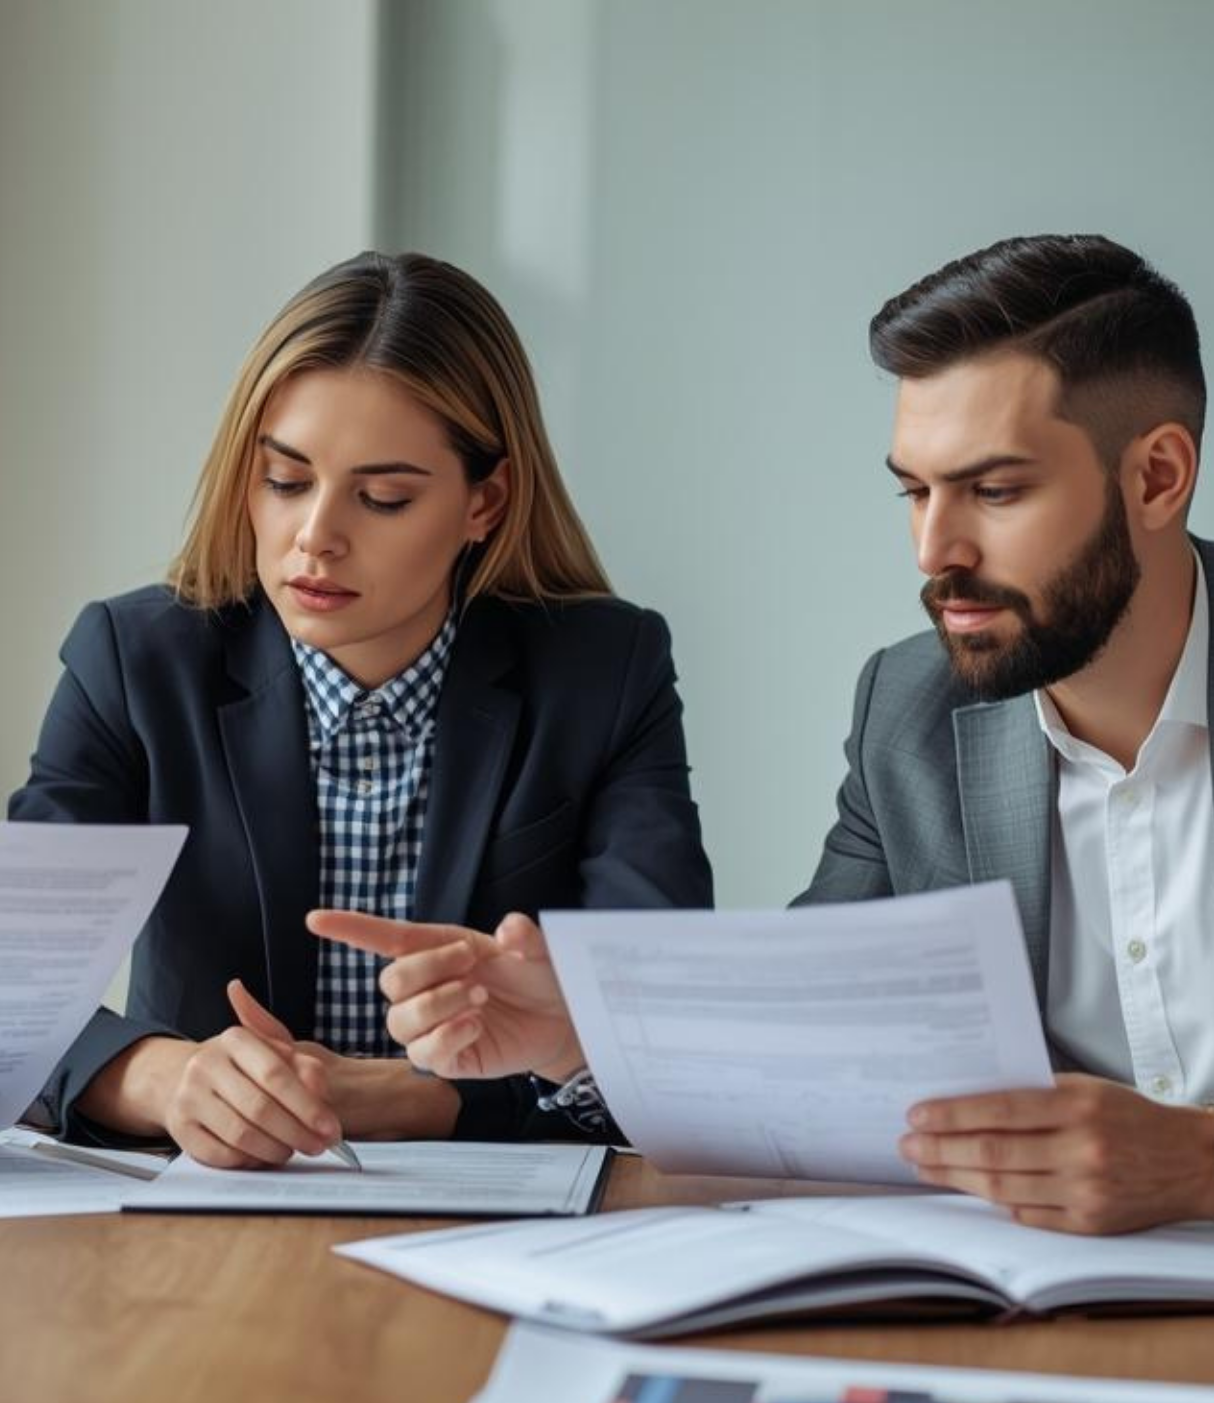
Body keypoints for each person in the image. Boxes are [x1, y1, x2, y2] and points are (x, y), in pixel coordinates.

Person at [328, 236, 1214, 1235]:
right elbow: (801, 1049)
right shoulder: (909, 709)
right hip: (1043, 1305)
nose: (935, 551)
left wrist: (1201, 1163)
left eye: (996, 492)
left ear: (1156, 478)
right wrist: (580, 1036)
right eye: (916, 492)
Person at [10, 249, 711, 1165]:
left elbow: (666, 1039)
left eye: (382, 498)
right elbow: (1, 994)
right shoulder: (136, 662)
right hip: (207, 1213)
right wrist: (167, 1079)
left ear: (483, 502)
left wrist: (424, 1100)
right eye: (286, 481)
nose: (316, 538)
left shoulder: (607, 671)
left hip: (503, 1216)